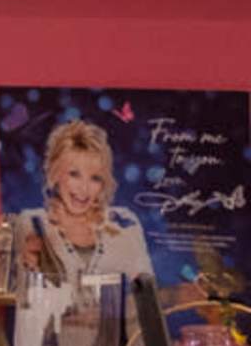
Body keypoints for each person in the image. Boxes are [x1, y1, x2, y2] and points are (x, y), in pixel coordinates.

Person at [14, 117, 160, 291]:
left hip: (116, 310)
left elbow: (147, 296)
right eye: (74, 174)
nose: (84, 189)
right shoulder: (32, 224)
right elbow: (21, 293)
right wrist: (25, 264)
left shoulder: (124, 224)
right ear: (55, 175)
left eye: (95, 178)